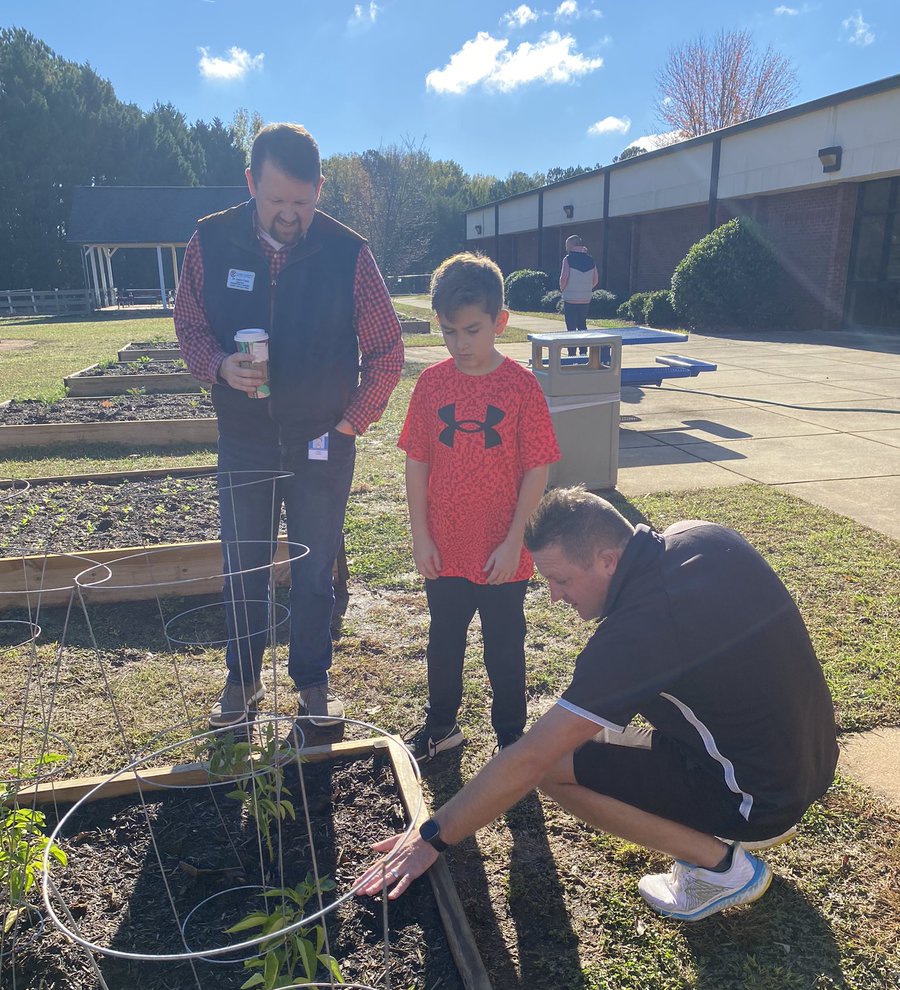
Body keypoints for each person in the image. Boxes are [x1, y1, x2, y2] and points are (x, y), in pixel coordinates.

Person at [357, 487, 838, 921]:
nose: (555, 596)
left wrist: (431, 839)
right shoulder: (700, 536)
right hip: (812, 761)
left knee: (550, 768)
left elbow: (530, 760)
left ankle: (722, 869)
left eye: (561, 580)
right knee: (579, 738)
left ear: (608, 560)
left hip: (760, 800)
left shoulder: (636, 634)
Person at [175, 122, 403, 732]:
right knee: (243, 564)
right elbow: (190, 325)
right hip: (244, 438)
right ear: (251, 183)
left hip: (323, 438)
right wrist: (219, 365)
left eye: (302, 202)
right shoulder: (210, 241)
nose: (289, 215)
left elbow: (387, 350)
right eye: (276, 201)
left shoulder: (349, 253)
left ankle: (311, 683)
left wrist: (353, 421)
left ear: (319, 190)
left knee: (314, 566)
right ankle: (243, 680)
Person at [400, 252, 560, 763]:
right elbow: (418, 462)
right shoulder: (431, 384)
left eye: (472, 330)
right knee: (444, 644)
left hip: (502, 551)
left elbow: (539, 468)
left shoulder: (521, 386)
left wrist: (515, 540)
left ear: (500, 322)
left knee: (505, 650)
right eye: (449, 332)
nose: (460, 344)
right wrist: (421, 535)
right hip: (444, 548)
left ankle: (511, 739)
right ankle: (442, 726)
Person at [559, 234, 598, 355]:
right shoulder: (590, 259)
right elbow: (595, 279)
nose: (566, 247)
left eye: (567, 245)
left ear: (572, 245)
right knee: (582, 325)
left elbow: (564, 278)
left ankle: (571, 353)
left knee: (571, 327)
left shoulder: (568, 259)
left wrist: (563, 289)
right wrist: (586, 289)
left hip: (570, 298)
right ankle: (583, 352)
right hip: (585, 299)